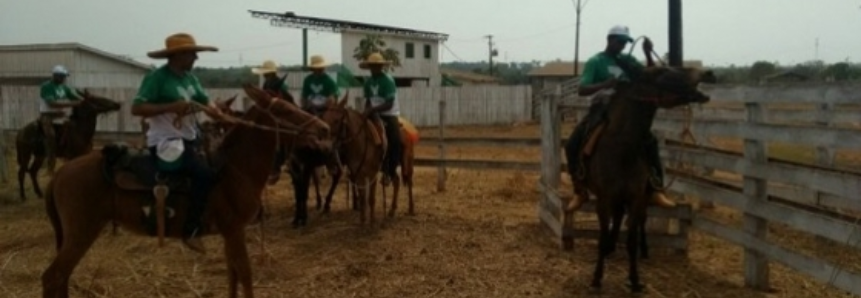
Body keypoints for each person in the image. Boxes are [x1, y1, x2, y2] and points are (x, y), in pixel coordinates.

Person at [131, 32, 231, 254]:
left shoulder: (191, 79)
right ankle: (191, 230)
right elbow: (136, 108)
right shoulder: (156, 78)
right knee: (204, 175)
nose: (196, 58)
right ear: (178, 55)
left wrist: (219, 113)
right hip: (166, 141)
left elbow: (206, 103)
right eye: (192, 54)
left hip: (190, 138)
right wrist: (169, 107)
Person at [565, 25, 676, 211]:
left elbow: (649, 76)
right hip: (602, 110)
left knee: (650, 142)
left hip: (629, 114)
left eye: (625, 43)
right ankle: (580, 190)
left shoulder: (629, 61)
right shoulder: (596, 61)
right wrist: (605, 84)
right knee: (573, 143)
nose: (623, 46)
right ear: (609, 40)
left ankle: (656, 188)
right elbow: (582, 89)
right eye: (620, 42)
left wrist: (648, 54)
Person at [359, 52, 402, 184]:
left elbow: (389, 103)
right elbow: (368, 100)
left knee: (394, 139)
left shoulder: (388, 81)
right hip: (373, 114)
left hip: (389, 114)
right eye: (372, 66)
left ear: (382, 66)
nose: (374, 68)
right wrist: (366, 111)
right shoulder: (368, 82)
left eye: (377, 66)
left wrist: (372, 110)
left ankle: (390, 170)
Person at [253, 60, 294, 183]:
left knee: (282, 137)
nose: (264, 75)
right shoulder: (267, 83)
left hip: (281, 113)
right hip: (270, 112)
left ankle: (285, 161)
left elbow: (286, 100)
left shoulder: (280, 85)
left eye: (266, 73)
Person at [39, 65, 84, 176]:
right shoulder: (46, 86)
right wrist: (72, 104)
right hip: (47, 116)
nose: (64, 79)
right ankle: (50, 165)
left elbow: (76, 97)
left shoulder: (64, 87)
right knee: (51, 136)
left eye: (65, 77)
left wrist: (85, 101)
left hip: (62, 115)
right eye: (62, 76)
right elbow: (52, 103)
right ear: (56, 76)